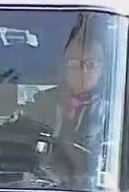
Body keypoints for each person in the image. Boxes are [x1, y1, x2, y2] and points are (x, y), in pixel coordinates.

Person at [23, 29, 111, 181]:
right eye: (74, 63)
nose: (83, 71)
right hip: (40, 184)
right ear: (63, 66)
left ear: (103, 70)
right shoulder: (41, 102)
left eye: (91, 64)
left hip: (90, 191)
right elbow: (20, 140)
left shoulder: (114, 112)